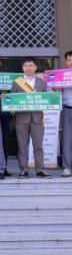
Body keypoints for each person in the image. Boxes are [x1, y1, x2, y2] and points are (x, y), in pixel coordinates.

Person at [11, 58, 50, 178]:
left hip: (38, 118)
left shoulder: (42, 82)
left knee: (38, 146)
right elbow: (12, 99)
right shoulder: (17, 82)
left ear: (35, 67)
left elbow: (46, 100)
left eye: (30, 65)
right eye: (26, 66)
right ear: (23, 68)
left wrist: (44, 115)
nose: (28, 68)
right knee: (22, 146)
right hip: (21, 118)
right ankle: (24, 169)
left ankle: (40, 169)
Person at [59, 50, 72, 178]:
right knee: (67, 139)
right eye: (68, 60)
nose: (70, 62)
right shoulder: (62, 75)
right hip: (67, 109)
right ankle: (67, 167)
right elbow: (54, 90)